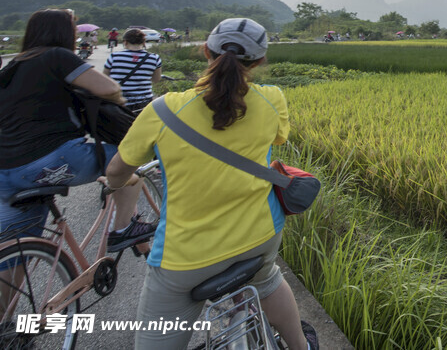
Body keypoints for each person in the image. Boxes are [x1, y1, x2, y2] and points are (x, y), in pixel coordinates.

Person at [106, 18, 318, 350]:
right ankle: (301, 346)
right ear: (260, 61)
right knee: (268, 279)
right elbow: (277, 136)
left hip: (184, 258)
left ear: (205, 51)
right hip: (260, 235)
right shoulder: (273, 98)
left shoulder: (161, 110)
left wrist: (117, 182)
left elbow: (117, 170)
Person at [0, 9, 156, 251]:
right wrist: (117, 103)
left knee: (17, 247)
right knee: (126, 163)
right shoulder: (57, 56)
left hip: (6, 168)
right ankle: (123, 229)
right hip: (50, 157)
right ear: (64, 33)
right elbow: (108, 89)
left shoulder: (12, 67)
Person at [104, 28, 163, 114]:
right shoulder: (154, 58)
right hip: (143, 103)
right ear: (143, 42)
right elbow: (156, 80)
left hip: (119, 102)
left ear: (125, 42)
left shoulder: (114, 56)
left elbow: (105, 77)